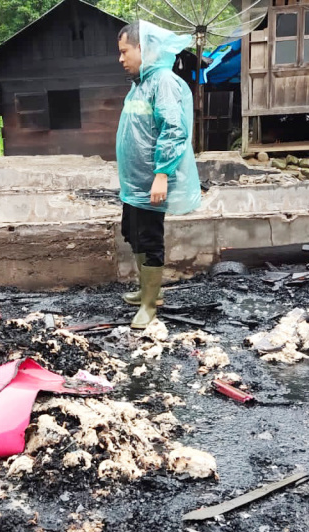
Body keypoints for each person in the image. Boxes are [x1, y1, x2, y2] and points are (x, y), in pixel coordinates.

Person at [115, 21, 202, 330]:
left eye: (125, 51)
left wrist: (162, 174)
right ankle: (145, 290)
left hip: (152, 181)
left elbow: (174, 130)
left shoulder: (162, 81)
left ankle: (151, 305)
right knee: (133, 232)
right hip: (134, 185)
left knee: (150, 238)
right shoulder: (140, 83)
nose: (121, 59)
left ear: (144, 48)